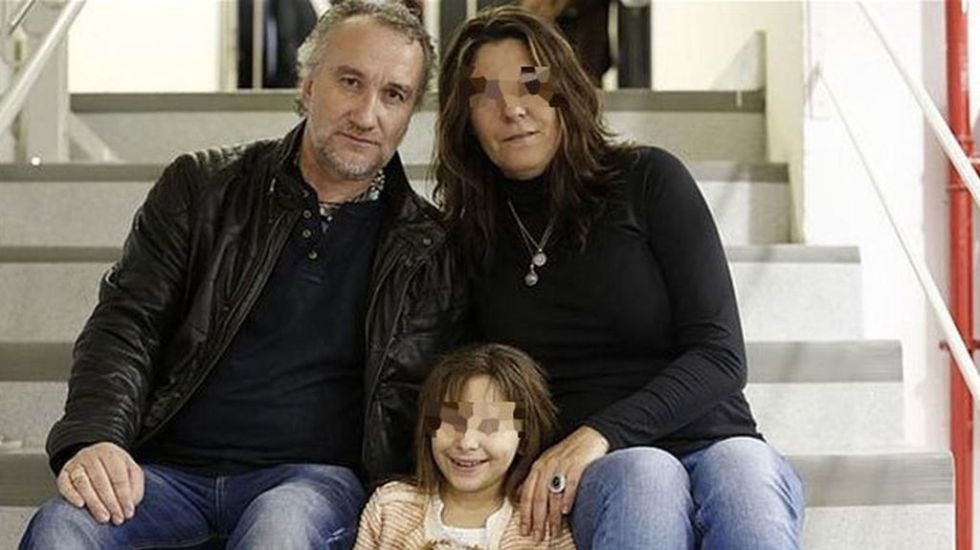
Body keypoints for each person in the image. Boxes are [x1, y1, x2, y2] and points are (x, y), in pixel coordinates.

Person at [19, 2, 465, 549]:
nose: (367, 114)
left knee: (279, 531)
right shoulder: (203, 188)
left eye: (393, 94)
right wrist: (95, 436)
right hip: (167, 473)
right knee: (62, 526)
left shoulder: (428, 245)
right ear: (307, 85)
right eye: (350, 82)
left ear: (410, 113)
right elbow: (127, 323)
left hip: (309, 482)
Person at [434, 6, 805, 549]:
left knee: (744, 484)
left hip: (713, 436)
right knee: (645, 477)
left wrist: (600, 433)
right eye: (486, 94)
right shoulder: (468, 237)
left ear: (564, 92)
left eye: (532, 83)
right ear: (464, 117)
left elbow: (721, 356)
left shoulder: (648, 179)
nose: (512, 108)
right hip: (602, 470)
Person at [353, 343, 575, 549]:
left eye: (489, 424)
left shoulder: (545, 524)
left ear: (523, 439)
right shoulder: (390, 506)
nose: (467, 442)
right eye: (452, 421)